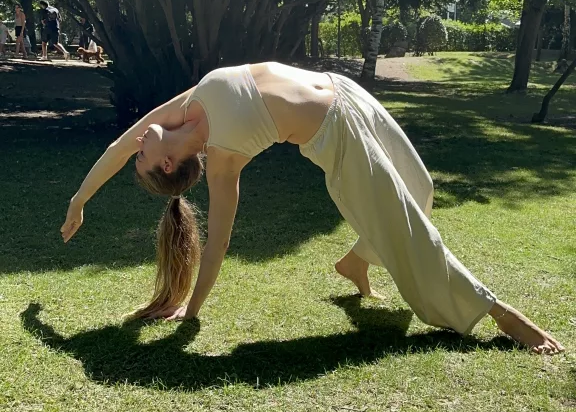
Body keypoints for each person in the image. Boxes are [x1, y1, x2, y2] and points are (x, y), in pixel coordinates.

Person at [61, 62, 564, 355]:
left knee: (422, 187)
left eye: (138, 158)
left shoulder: (184, 107)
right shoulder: (222, 164)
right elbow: (217, 245)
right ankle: (495, 311)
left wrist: (78, 200)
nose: (136, 150)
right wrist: (190, 310)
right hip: (337, 137)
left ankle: (357, 260)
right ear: (168, 163)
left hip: (345, 90)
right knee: (406, 227)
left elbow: (115, 148)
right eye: (141, 161)